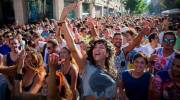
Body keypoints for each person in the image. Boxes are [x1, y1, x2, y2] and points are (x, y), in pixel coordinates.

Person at [61, 19, 117, 99]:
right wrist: (63, 22)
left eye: (101, 47)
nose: (97, 49)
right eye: (95, 47)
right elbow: (72, 47)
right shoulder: (86, 66)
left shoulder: (112, 72)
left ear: (107, 54)